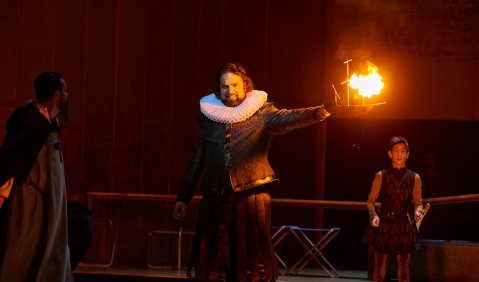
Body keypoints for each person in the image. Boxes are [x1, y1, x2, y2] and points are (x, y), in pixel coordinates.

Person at [172, 62, 343, 282]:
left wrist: (322, 110)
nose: (230, 91)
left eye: (234, 85)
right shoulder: (209, 118)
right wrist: (183, 198)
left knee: (251, 263)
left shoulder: (262, 112)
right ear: (218, 89)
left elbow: (289, 118)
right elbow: (198, 159)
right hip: (215, 199)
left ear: (244, 85)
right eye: (225, 86)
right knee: (214, 264)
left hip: (251, 196)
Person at [0, 72, 73, 281]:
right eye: (65, 90)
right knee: (22, 253)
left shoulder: (48, 124)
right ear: (57, 95)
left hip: (44, 202)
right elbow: (15, 162)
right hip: (29, 202)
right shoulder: (34, 124)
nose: (68, 95)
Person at [363, 136, 424, 282]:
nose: (399, 154)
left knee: (404, 270)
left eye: (403, 151)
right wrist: (373, 216)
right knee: (378, 270)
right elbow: (370, 201)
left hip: (404, 225)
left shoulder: (414, 177)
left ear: (408, 154)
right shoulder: (381, 175)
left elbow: (418, 203)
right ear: (390, 153)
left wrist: (418, 212)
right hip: (384, 223)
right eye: (396, 150)